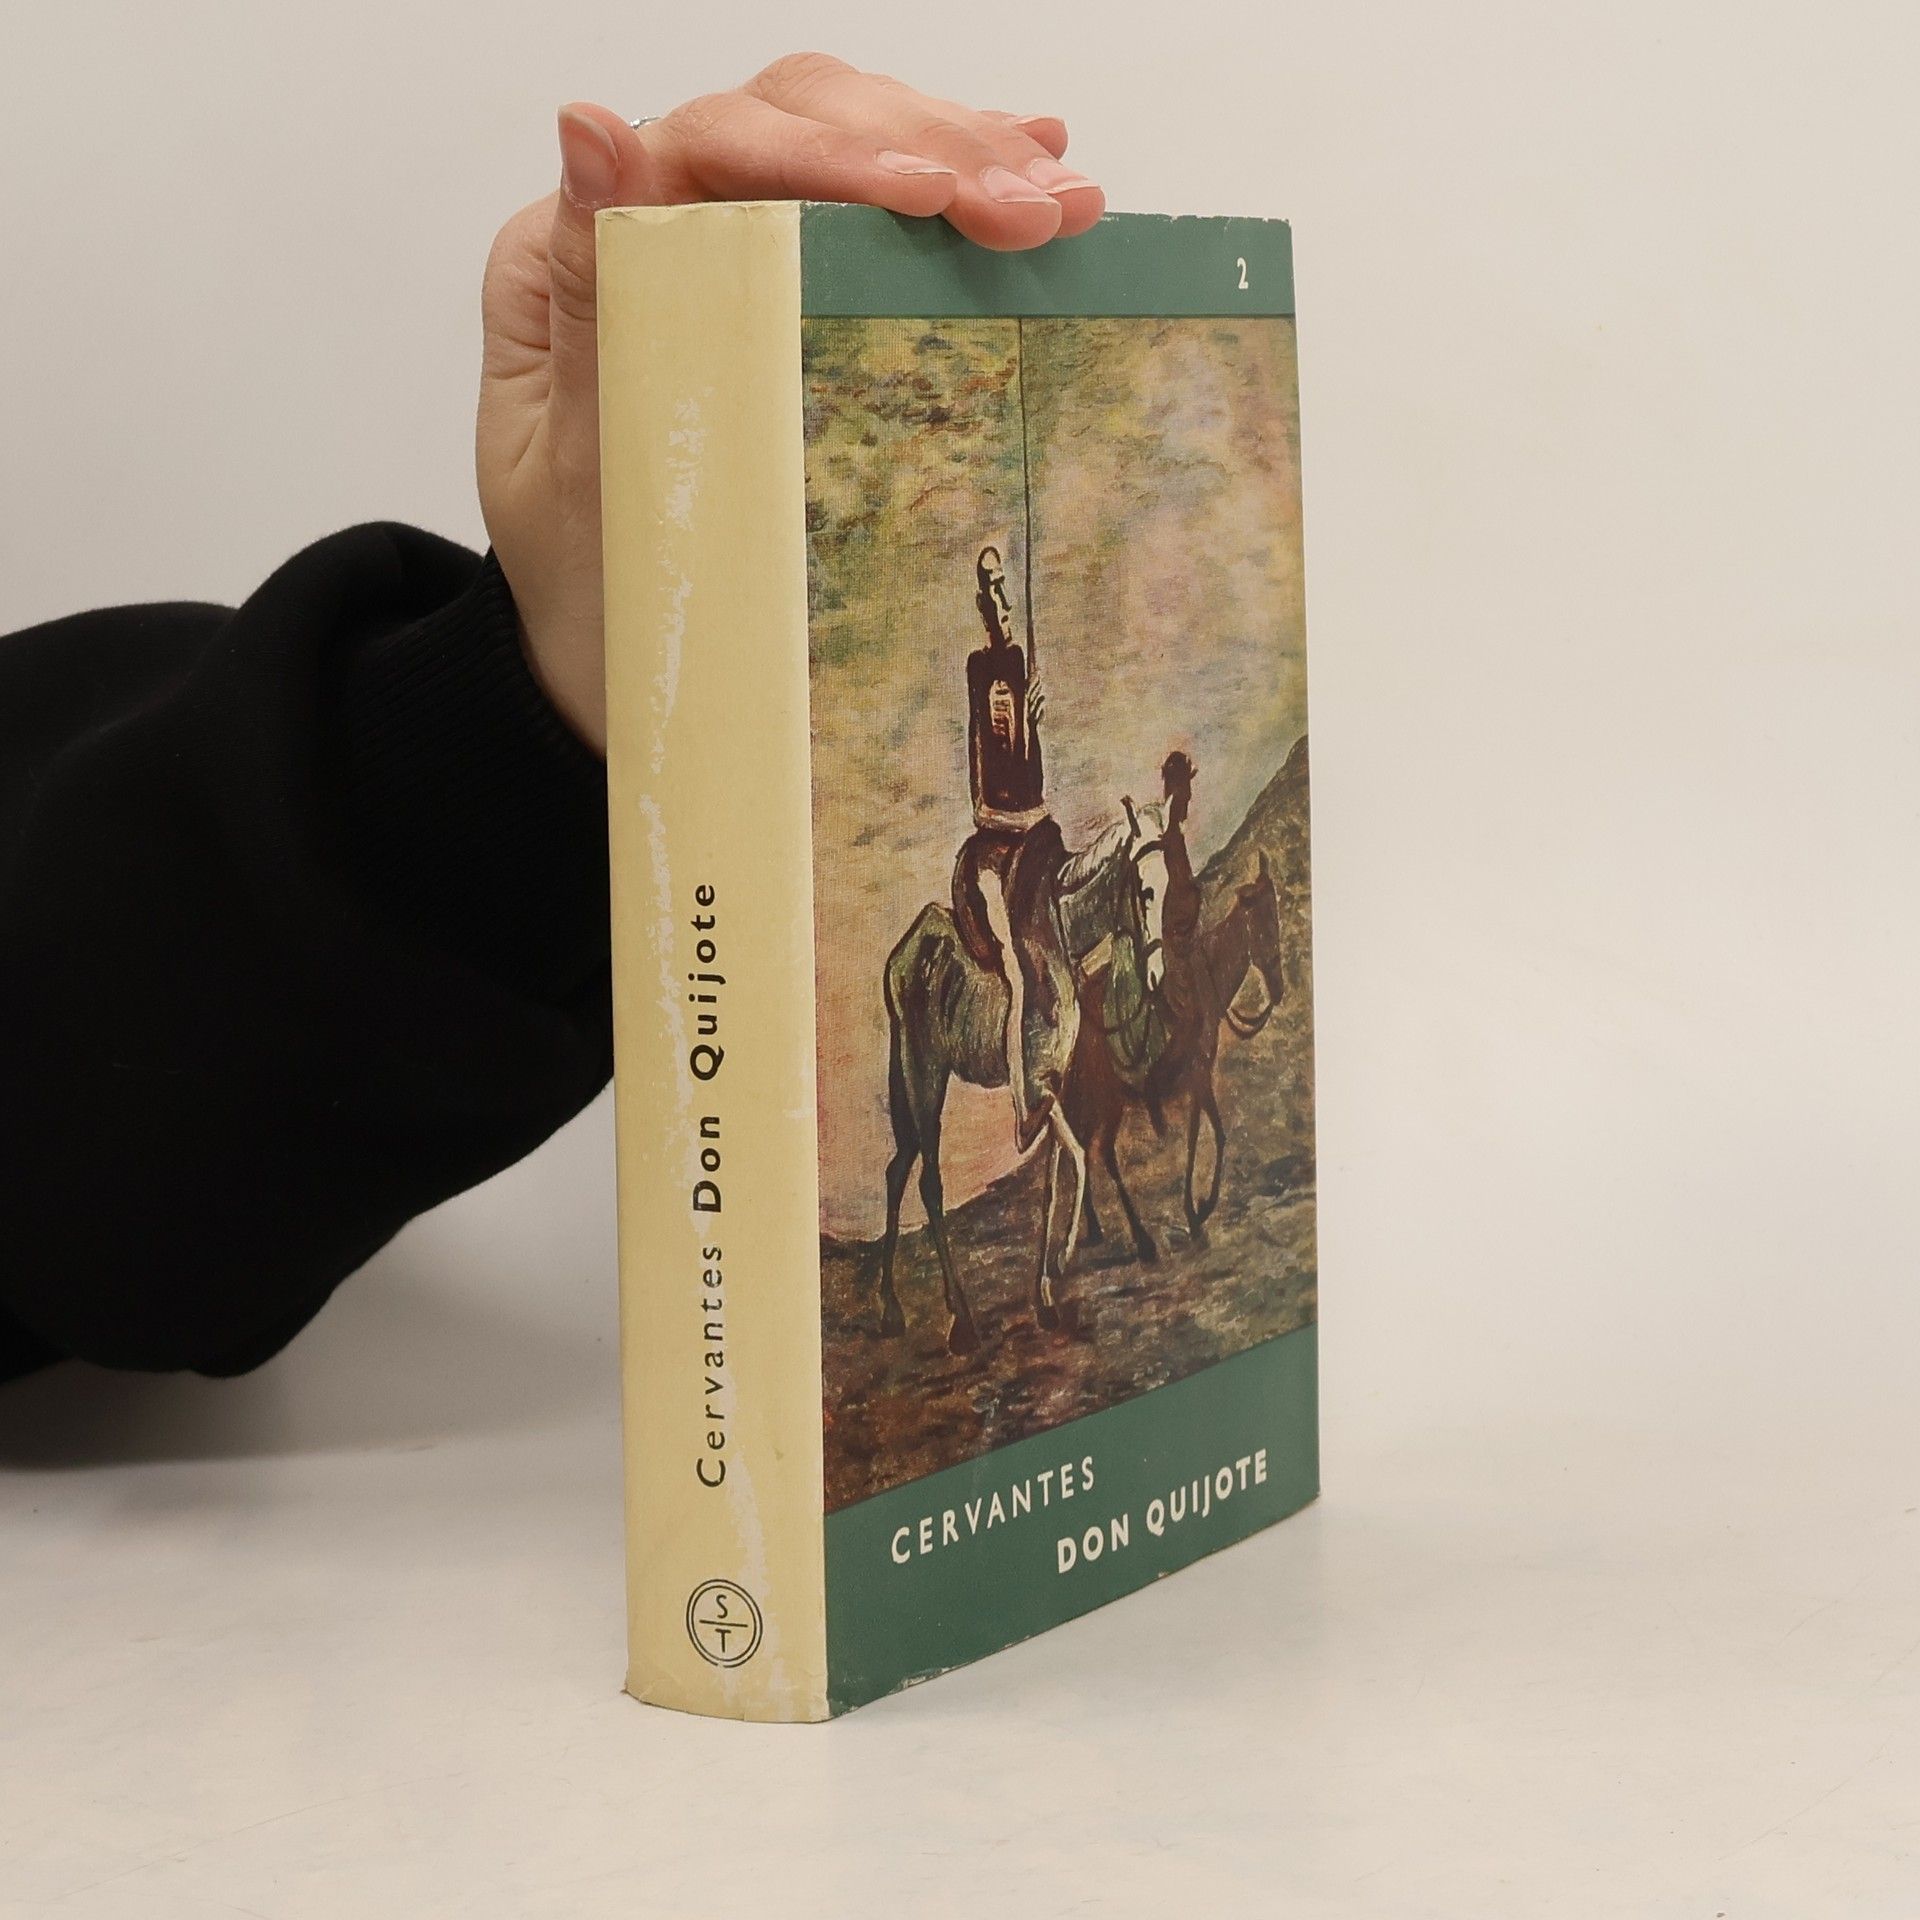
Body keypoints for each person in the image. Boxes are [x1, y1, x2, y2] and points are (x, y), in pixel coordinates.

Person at [0, 56, 1104, 1388]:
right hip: (991, 841)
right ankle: (1026, 1082)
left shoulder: (1021, 682)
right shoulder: (993, 675)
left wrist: (560, 677)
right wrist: (527, 714)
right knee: (1020, 959)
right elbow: (82, 1171)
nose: (997, 599)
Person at [950, 544, 1065, 1153]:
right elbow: (982, 795)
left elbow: (1030, 778)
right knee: (1019, 979)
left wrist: (1034, 725)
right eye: (991, 588)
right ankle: (1024, 1113)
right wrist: (1013, 818)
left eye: (1004, 586)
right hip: (994, 853)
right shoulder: (980, 670)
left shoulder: (1021, 662)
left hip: (1033, 841)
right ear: (981, 602)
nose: (1002, 599)